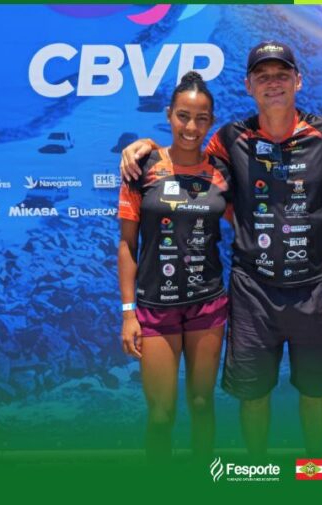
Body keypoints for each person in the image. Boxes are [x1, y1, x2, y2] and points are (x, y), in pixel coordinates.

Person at [120, 41, 322, 459]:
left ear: (298, 80)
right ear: (248, 85)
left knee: (315, 393)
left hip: (314, 289)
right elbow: (187, 156)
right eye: (263, 76)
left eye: (281, 75)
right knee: (253, 395)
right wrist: (146, 145)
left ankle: (311, 472)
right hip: (252, 291)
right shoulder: (229, 138)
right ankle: (259, 471)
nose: (272, 83)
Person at [117, 71, 231, 465]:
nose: (191, 127)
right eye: (183, 116)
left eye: (201, 119)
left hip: (207, 306)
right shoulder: (142, 165)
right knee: (161, 415)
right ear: (169, 115)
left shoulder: (222, 171)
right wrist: (128, 313)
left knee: (201, 404)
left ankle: (203, 483)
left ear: (211, 121)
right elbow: (127, 244)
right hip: (155, 307)